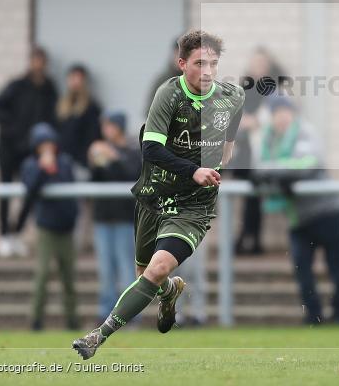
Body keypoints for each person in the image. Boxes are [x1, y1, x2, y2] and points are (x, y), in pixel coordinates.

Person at [72, 30, 244, 359]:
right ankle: (169, 292)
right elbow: (150, 148)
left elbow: (229, 140)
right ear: (182, 64)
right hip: (154, 196)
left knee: (158, 266)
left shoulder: (232, 96)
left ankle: (98, 335)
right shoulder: (167, 94)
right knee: (147, 276)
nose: (208, 71)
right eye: (199, 63)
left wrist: (220, 159)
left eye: (213, 63)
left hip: (193, 205)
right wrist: (192, 168)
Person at [255, 96, 339, 325]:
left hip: (326, 212)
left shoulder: (306, 132)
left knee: (336, 267)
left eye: (285, 112)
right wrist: (274, 173)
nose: (281, 117)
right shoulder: (268, 139)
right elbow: (258, 169)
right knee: (302, 270)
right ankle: (314, 317)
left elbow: (307, 163)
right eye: (277, 113)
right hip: (298, 217)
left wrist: (273, 172)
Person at [0, 46, 58, 257]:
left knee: (31, 192)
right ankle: (2, 236)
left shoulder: (49, 89)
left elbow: (54, 117)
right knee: (5, 190)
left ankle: (16, 233)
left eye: (41, 61)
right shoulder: (17, 86)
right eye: (35, 60)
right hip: (8, 148)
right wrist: (14, 129)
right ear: (30, 62)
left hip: (31, 152)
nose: (38, 64)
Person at [21, 123, 79, 331]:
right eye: (42, 144)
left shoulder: (64, 162)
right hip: (46, 228)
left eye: (50, 143)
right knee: (43, 274)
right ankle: (36, 320)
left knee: (69, 277)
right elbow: (31, 188)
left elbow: (68, 184)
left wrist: (54, 168)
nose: (47, 148)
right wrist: (42, 169)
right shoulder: (30, 164)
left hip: (66, 227)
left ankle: (73, 321)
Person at [234, 47, 289, 255]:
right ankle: (246, 239)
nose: (258, 68)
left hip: (267, 151)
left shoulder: (275, 90)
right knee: (247, 197)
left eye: (262, 64)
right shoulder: (243, 89)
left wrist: (257, 121)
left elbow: (276, 117)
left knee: (256, 198)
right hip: (245, 151)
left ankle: (251, 240)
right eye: (255, 64)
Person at [88, 111, 140, 324]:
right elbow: (95, 180)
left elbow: (132, 174)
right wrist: (93, 160)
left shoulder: (132, 151)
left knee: (127, 268)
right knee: (106, 270)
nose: (105, 129)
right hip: (103, 218)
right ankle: (106, 313)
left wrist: (113, 157)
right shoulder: (102, 149)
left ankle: (129, 314)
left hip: (125, 219)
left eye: (109, 125)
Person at [57, 64, 102, 168]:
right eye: (73, 78)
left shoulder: (91, 107)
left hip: (81, 162)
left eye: (79, 78)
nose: (76, 82)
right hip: (62, 160)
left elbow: (93, 137)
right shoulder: (60, 106)